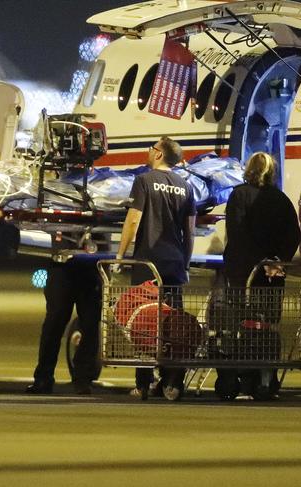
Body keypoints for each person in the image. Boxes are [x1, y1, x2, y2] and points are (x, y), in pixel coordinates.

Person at [115, 136, 196, 399]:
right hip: (174, 263)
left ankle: (143, 384)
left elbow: (133, 221)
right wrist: (185, 262)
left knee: (144, 323)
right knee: (174, 326)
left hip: (147, 263)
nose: (149, 152)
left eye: (152, 148)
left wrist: (120, 256)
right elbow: (190, 231)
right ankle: (172, 382)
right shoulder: (186, 186)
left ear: (159, 154)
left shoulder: (144, 181)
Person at [220, 151, 300, 399]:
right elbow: (293, 234)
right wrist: (277, 261)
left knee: (241, 325)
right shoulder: (281, 200)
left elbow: (237, 233)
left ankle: (244, 379)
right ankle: (267, 378)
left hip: (244, 273)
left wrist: (254, 262)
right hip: (271, 276)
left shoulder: (239, 195)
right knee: (267, 325)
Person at [25, 253, 102, 395]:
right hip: (61, 264)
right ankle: (43, 377)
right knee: (55, 321)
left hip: (91, 267)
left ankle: (83, 378)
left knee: (90, 323)